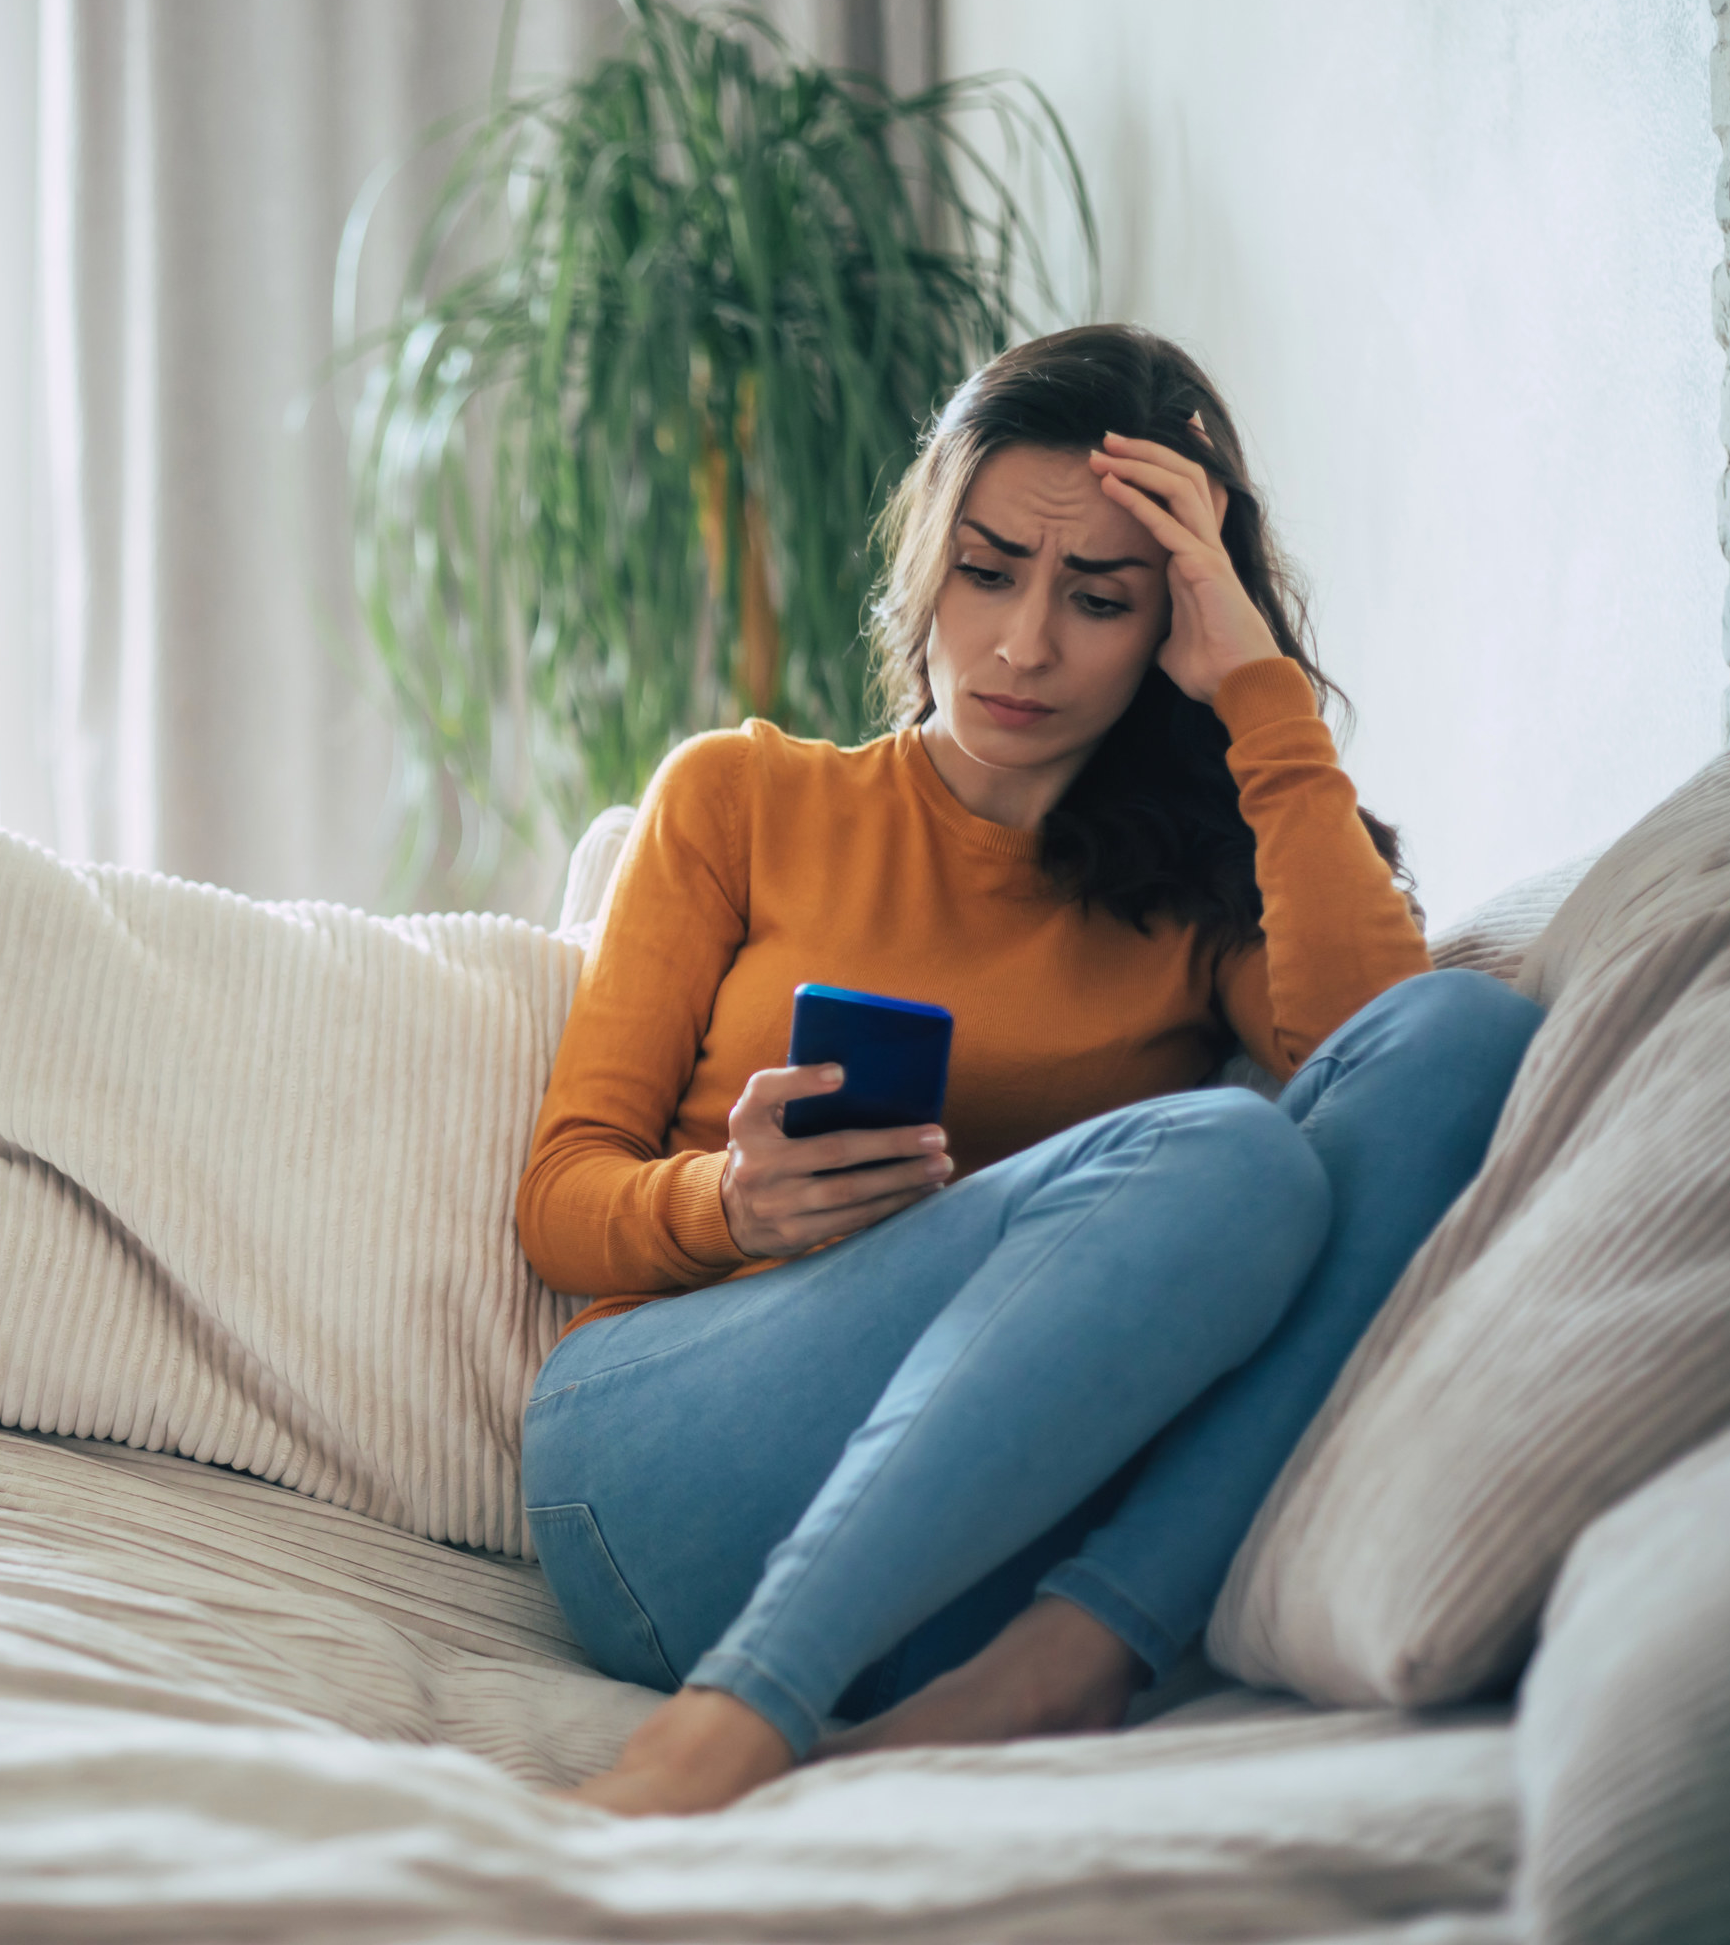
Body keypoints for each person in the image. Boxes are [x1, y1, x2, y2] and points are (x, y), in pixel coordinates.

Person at [515, 324, 1544, 1818]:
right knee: (1221, 1151)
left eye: (1102, 598)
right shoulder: (742, 797)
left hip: (976, 1570)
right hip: (668, 1474)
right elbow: (559, 1198)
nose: (1023, 646)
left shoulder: (1201, 889)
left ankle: (1071, 1658)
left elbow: (1390, 1059)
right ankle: (735, 1716)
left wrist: (1258, 692)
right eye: (989, 571)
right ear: (929, 557)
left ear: (1173, 617)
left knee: (1471, 1036)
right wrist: (730, 1206)